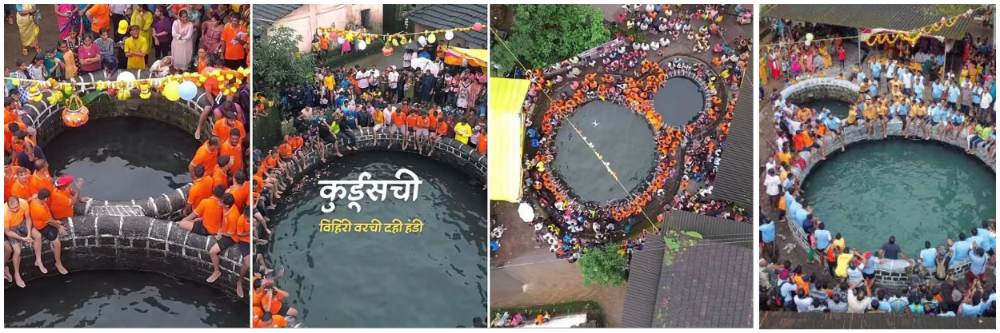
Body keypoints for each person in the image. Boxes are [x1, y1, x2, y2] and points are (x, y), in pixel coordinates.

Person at [29, 189, 68, 275]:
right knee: (57, 243)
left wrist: (56, 221)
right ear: (45, 199)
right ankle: (58, 263)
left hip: (45, 221)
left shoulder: (35, 200)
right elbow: (49, 222)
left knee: (58, 224)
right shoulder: (39, 209)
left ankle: (58, 263)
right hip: (43, 227)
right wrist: (59, 227)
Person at [205, 193, 236, 283]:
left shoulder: (233, 216)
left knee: (212, 251)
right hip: (225, 230)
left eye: (221, 202)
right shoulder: (227, 208)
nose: (219, 202)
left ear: (226, 205)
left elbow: (231, 234)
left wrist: (221, 234)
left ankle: (216, 271)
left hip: (231, 237)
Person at [4, 196, 32, 288]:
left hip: (20, 222)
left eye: (17, 207)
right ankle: (16, 273)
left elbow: (28, 218)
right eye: (13, 208)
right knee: (16, 250)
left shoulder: (24, 203)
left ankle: (38, 261)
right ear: (8, 206)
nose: (15, 209)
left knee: (37, 236)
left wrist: (28, 234)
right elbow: (7, 231)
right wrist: (22, 238)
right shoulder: (4, 214)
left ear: (19, 203)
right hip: (10, 228)